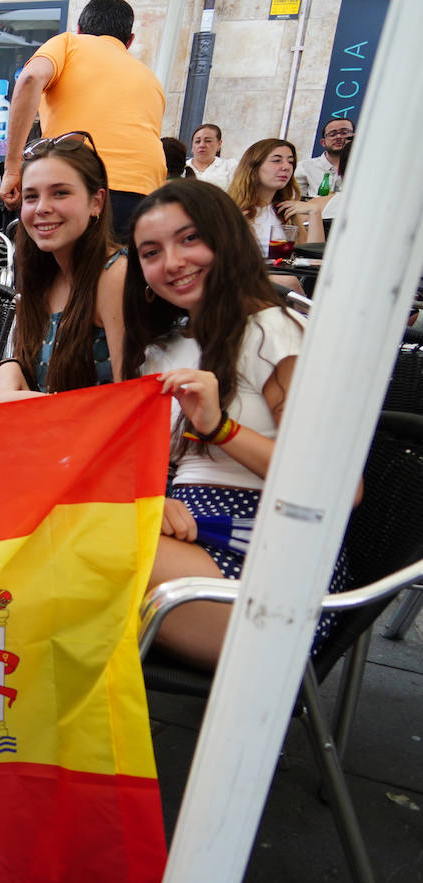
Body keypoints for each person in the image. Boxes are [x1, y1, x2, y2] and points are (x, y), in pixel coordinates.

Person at [120, 179, 345, 670]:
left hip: (270, 573)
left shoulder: (276, 332)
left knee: (71, 551)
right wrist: (153, 499)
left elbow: (339, 490)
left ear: (227, 239)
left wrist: (222, 428)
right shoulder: (166, 348)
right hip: (187, 538)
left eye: (189, 239)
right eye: (152, 252)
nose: (172, 262)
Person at [0, 132, 125, 403]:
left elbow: (131, 399)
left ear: (97, 202)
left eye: (60, 193)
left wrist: (26, 404)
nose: (42, 208)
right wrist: (9, 367)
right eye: (31, 196)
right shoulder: (43, 269)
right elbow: (27, 364)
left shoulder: (115, 274)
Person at [0, 0, 164, 235]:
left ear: (79, 29)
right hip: (143, 193)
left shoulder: (68, 43)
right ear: (129, 41)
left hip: (76, 184)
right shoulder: (150, 78)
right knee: (119, 269)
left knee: (53, 269)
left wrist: (13, 169)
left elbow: (30, 79)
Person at [228, 138, 324, 260]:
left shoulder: (285, 211)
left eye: (290, 162)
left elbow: (313, 260)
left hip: (283, 276)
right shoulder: (230, 210)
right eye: (277, 160)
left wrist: (315, 212)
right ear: (254, 167)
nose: (286, 167)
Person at [295, 117, 354, 200]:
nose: (339, 137)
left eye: (344, 132)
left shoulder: (365, 168)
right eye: (332, 134)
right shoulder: (304, 167)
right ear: (323, 142)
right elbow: (295, 200)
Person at [186, 123, 235, 190]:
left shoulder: (230, 166)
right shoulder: (182, 168)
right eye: (197, 141)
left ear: (219, 144)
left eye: (208, 141)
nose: (202, 145)